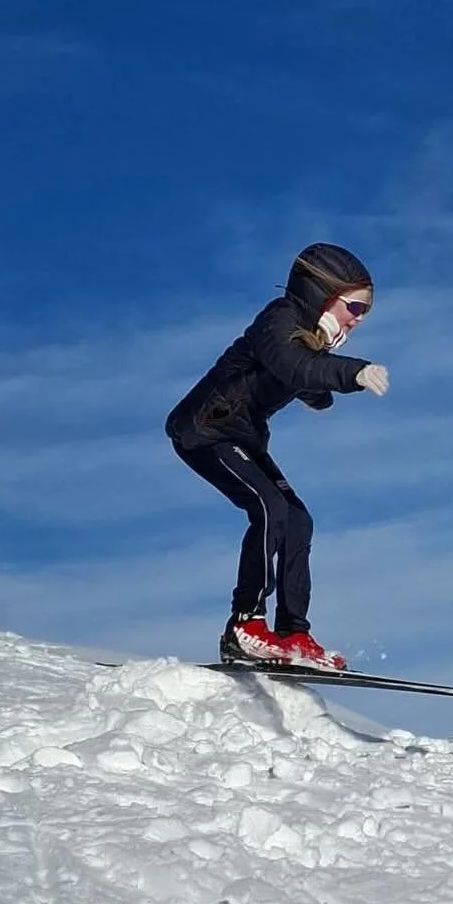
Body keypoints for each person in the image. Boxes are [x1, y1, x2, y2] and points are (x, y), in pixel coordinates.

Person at [166, 243, 389, 669]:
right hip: (204, 431)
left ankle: (293, 633)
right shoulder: (278, 320)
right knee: (268, 507)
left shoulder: (307, 339)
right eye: (355, 307)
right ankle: (244, 626)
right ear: (322, 294)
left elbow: (305, 377)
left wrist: (319, 391)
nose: (357, 320)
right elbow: (294, 365)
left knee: (297, 518)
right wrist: (350, 372)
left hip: (240, 437)